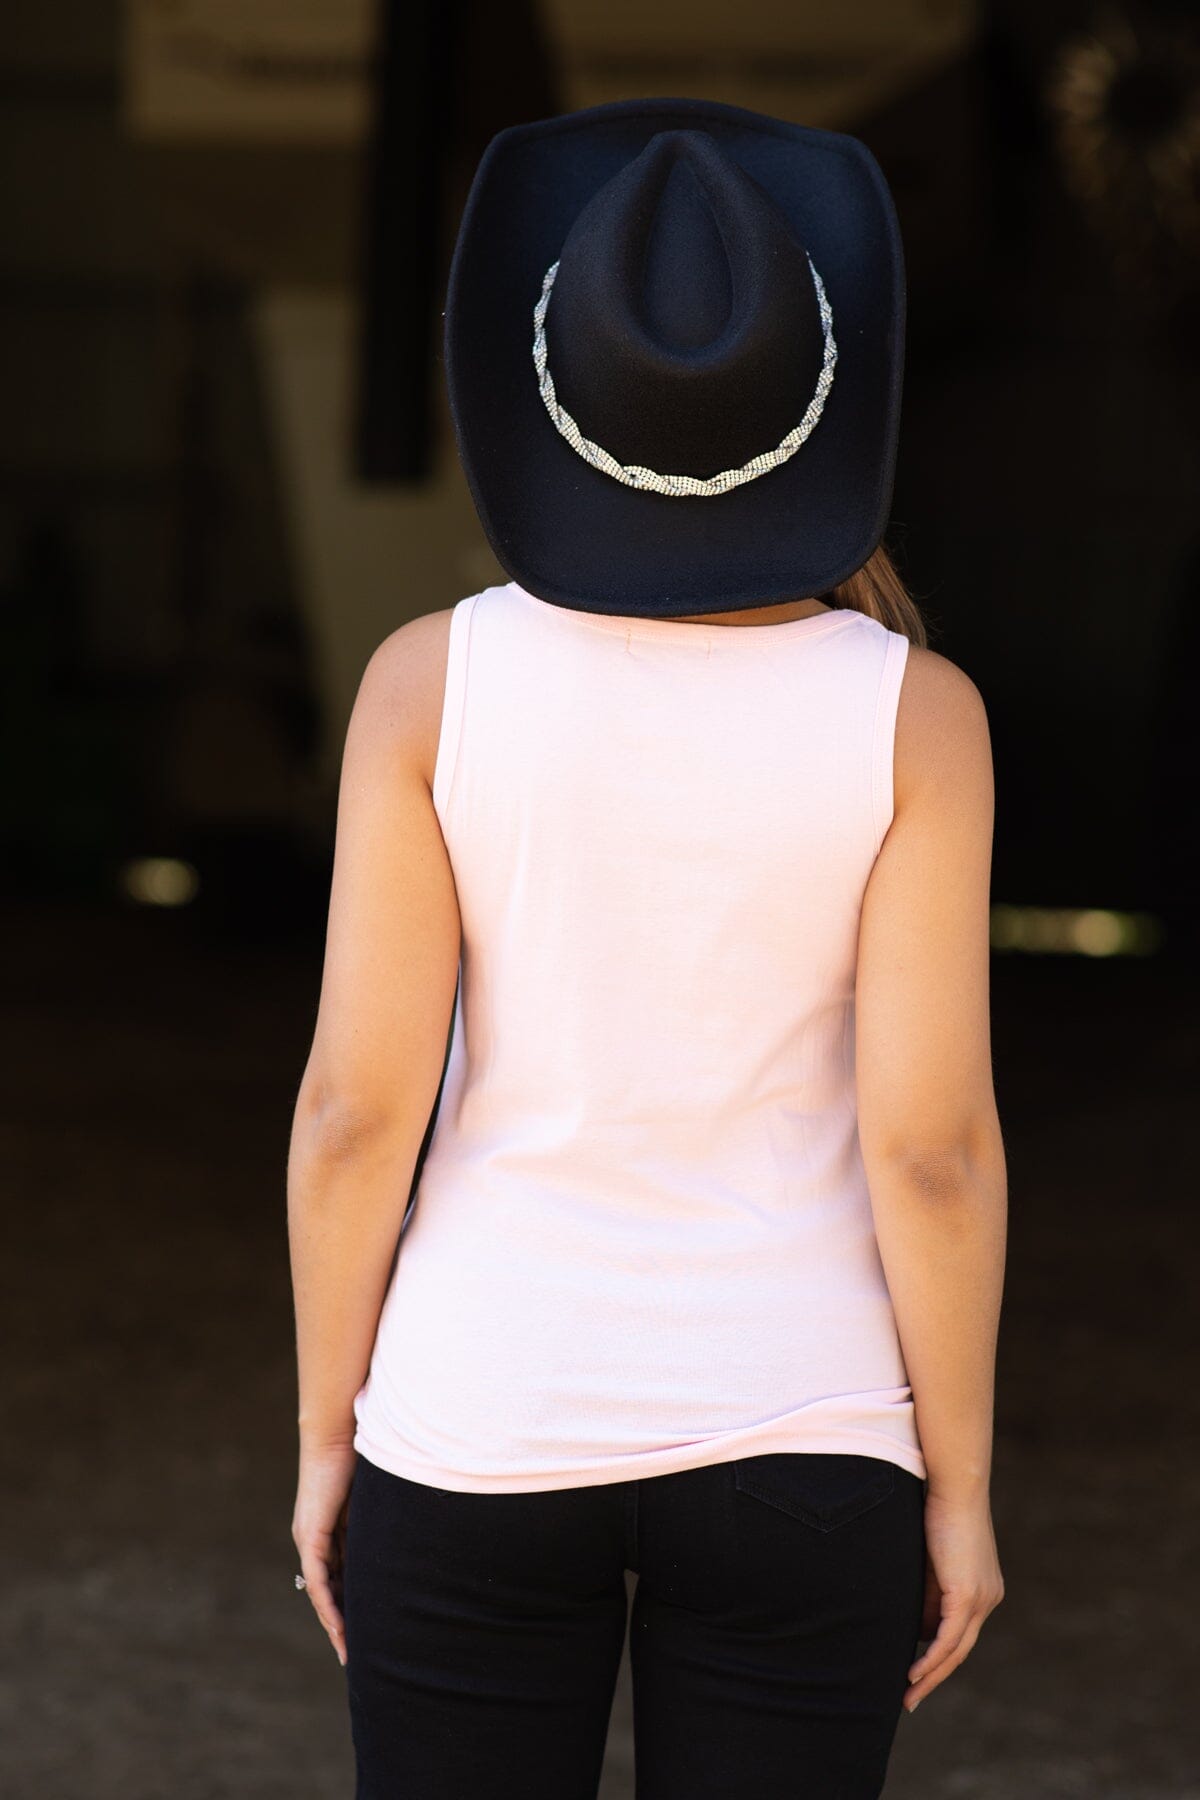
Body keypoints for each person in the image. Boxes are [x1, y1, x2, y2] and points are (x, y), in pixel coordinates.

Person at [287, 97, 1007, 1800]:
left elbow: (354, 1115)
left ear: (550, 393)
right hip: (806, 1434)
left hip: (479, 1418)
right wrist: (962, 1486)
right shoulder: (917, 717)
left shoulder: (429, 683)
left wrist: (328, 1435)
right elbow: (929, 1151)